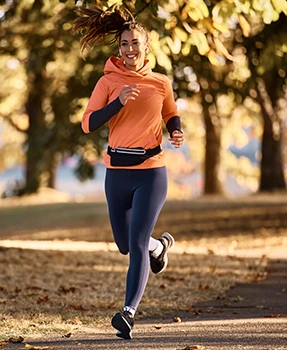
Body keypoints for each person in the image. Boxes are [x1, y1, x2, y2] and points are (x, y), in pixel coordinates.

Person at [73, 5, 184, 340]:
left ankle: (128, 313)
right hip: (117, 172)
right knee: (124, 243)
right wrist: (117, 102)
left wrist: (175, 130)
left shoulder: (160, 82)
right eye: (124, 44)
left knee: (134, 244)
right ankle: (157, 248)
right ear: (118, 48)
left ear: (146, 47)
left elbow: (171, 113)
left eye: (135, 43)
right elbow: (88, 123)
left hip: (152, 172)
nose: (130, 49)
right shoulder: (108, 82)